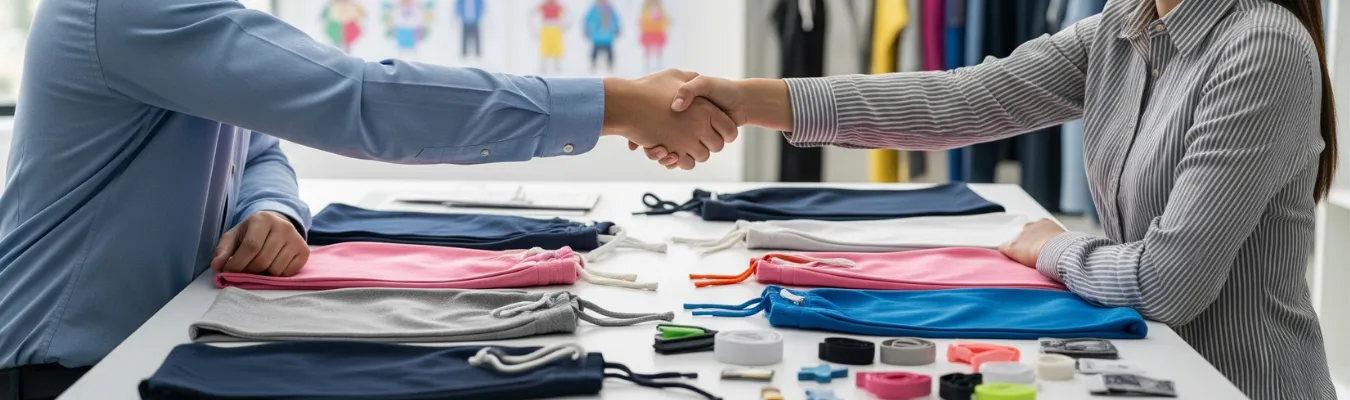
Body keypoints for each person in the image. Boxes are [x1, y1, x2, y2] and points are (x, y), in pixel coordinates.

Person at [0, 0, 734, 397]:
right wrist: (616, 103)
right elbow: (364, 103)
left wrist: (273, 208)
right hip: (63, 376)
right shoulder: (131, 10)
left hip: (166, 336)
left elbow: (258, 145)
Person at [655, 0, 1338, 398]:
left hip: (1237, 385)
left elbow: (1167, 285)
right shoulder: (1123, 30)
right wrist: (748, 101)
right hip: (1149, 370)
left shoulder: (1261, 48)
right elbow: (959, 99)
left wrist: (1054, 248)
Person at [585, 0, 620, 74]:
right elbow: (588, 19)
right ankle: (593, 64)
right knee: (595, 51)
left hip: (607, 35)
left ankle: (610, 65)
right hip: (597, 36)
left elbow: (615, 19)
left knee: (609, 51)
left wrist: (617, 28)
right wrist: (586, 29)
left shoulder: (610, 8)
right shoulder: (594, 8)